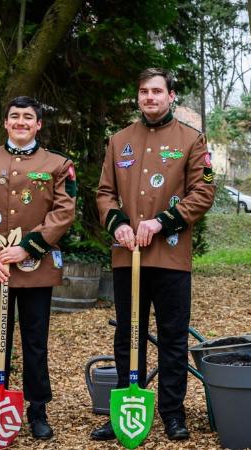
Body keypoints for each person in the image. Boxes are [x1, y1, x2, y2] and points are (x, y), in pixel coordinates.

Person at [91, 68, 215, 441]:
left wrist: (162, 222)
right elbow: (104, 193)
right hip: (127, 256)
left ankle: (172, 414)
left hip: (171, 257)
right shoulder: (119, 140)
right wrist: (118, 225)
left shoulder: (192, 140)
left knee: (173, 338)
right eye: (144, 91)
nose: (150, 97)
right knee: (129, 335)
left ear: (171, 96)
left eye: (157, 91)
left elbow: (203, 193)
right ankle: (126, 411)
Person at [0, 96, 77, 443]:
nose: (21, 122)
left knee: (35, 341)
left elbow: (63, 211)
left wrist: (27, 246)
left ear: (39, 124)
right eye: (15, 116)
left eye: (29, 117)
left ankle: (37, 410)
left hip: (35, 267)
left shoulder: (58, 164)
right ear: (6, 122)